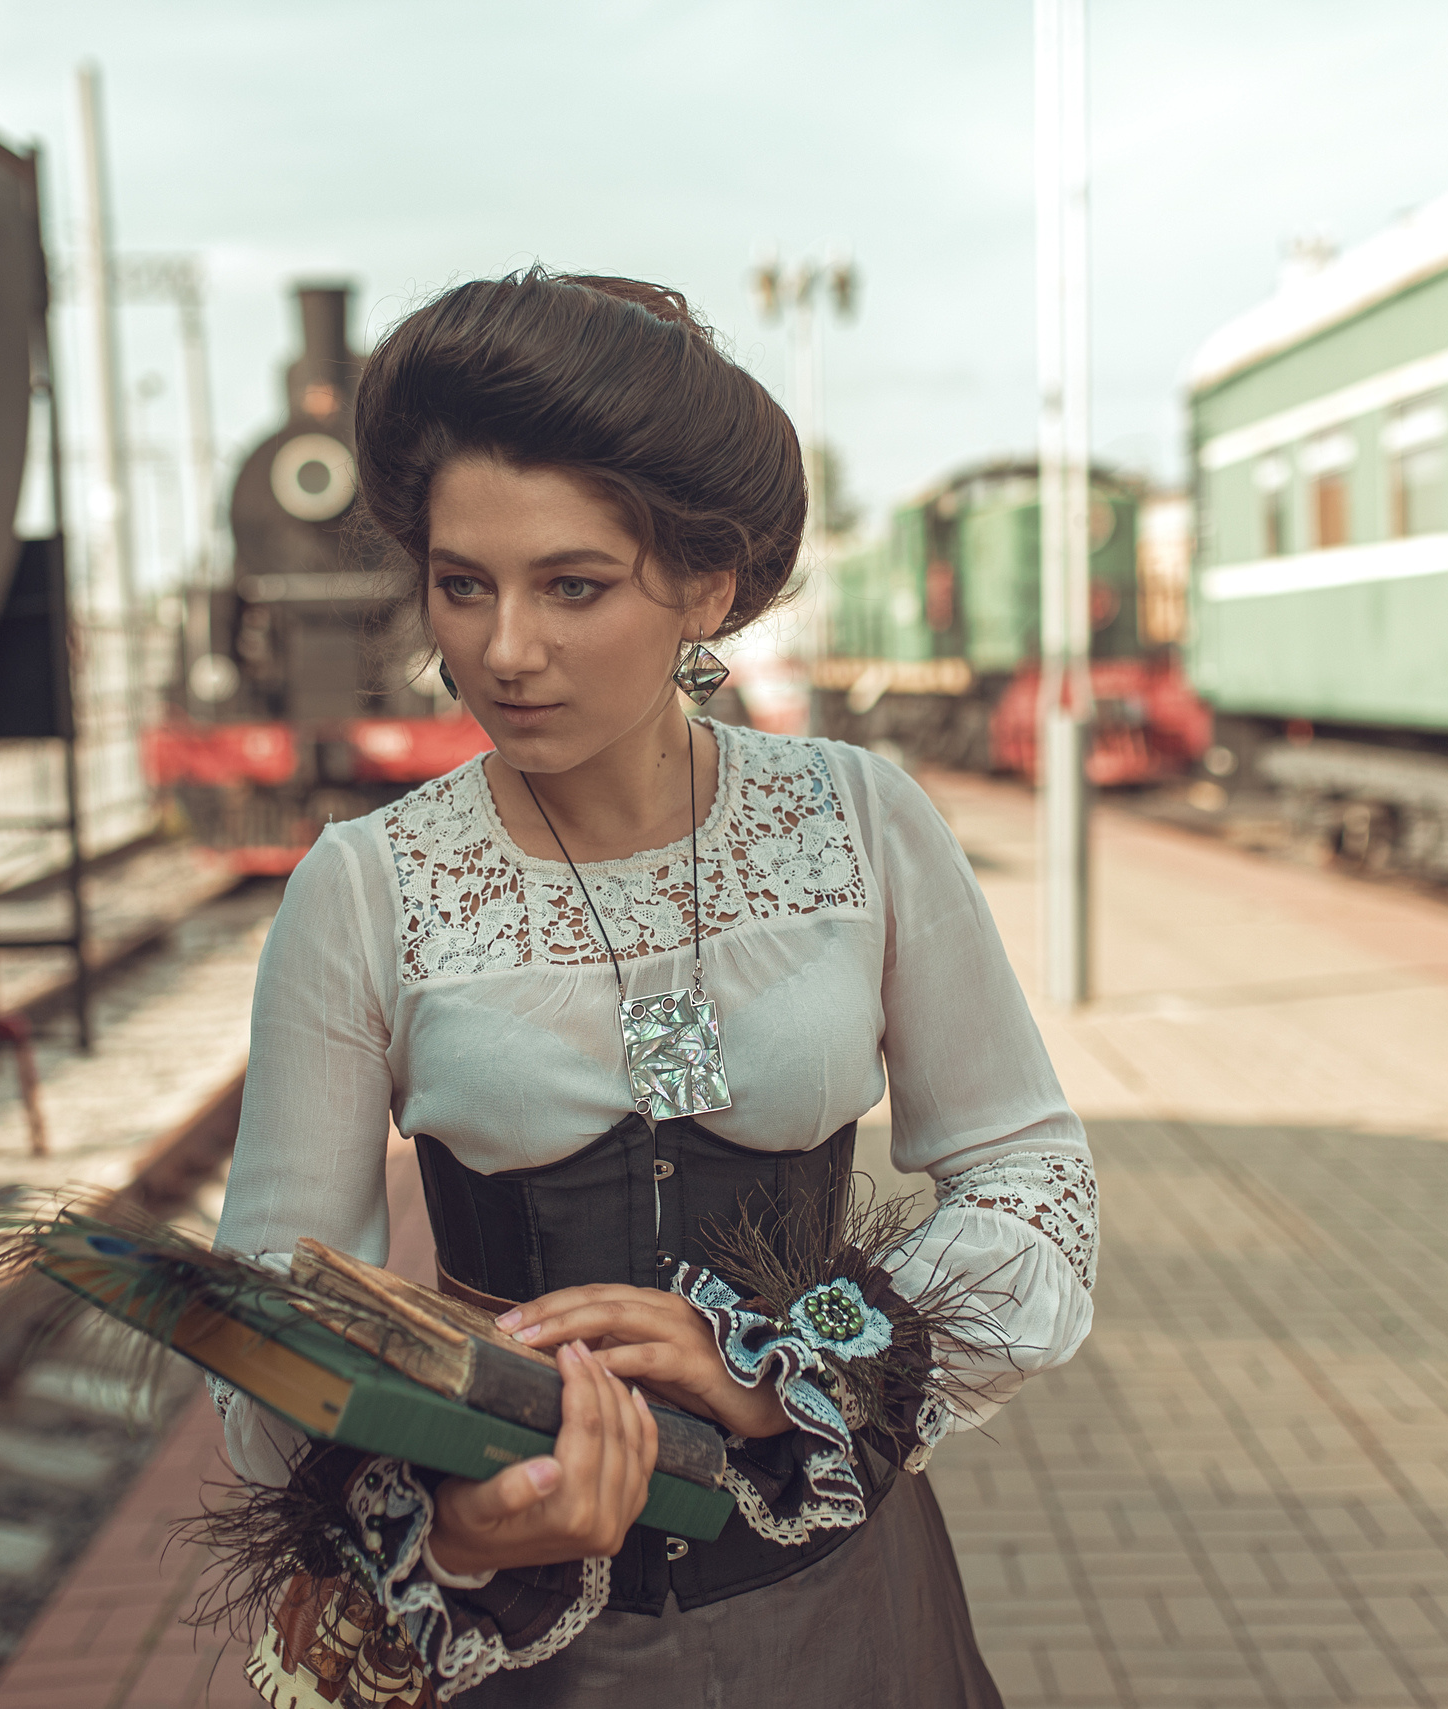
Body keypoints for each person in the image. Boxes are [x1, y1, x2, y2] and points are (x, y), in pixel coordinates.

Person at [211, 268, 1096, 1708]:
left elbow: (1031, 1175)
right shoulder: (365, 888)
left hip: (846, 1610)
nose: (504, 650)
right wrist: (460, 1522)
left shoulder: (856, 822)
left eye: (573, 586)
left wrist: (779, 1373)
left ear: (708, 587)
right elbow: (269, 1318)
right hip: (530, 1639)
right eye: (463, 584)